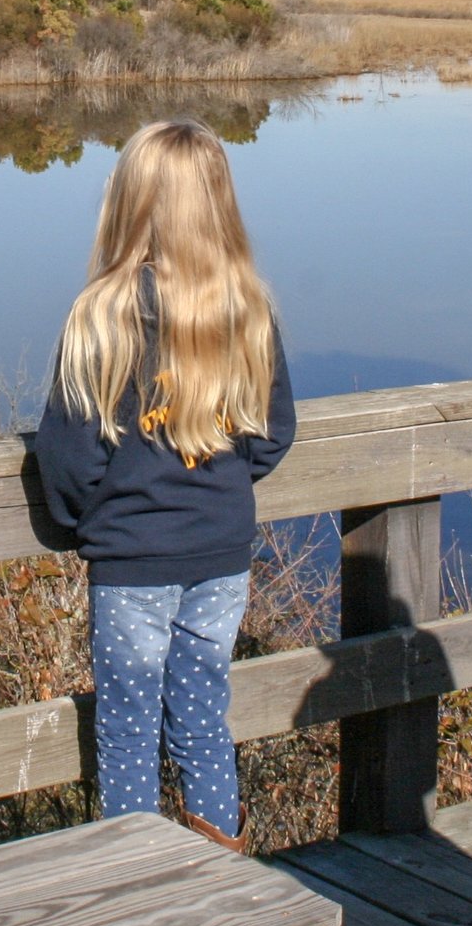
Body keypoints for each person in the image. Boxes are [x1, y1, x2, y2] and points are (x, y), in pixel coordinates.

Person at [36, 118, 295, 852]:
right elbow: (273, 433)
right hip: (221, 555)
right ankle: (222, 866)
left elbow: (68, 457)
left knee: (125, 729)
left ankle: (135, 883)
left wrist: (86, 520)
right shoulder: (246, 309)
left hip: (130, 560)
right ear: (219, 204)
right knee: (204, 716)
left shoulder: (102, 314)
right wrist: (222, 487)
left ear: (129, 203)